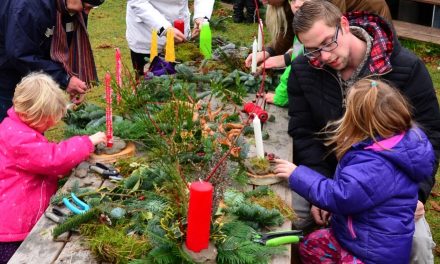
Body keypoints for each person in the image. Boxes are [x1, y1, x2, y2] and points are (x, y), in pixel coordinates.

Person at [287, 1, 440, 263]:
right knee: (285, 213)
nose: (323, 57)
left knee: (419, 243)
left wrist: (418, 193)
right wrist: (320, 189)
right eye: (313, 50)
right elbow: (303, 132)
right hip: (327, 175)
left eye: (328, 42)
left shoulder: (404, 67)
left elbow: (431, 136)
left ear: (344, 24)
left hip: (388, 186)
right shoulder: (303, 70)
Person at [275, 78, 436, 263]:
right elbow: (355, 192)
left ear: (357, 118)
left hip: (370, 254)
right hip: (358, 234)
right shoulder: (395, 142)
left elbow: (341, 197)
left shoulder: (375, 164)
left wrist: (296, 174)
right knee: (311, 246)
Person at [0, 73, 107, 264]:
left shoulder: (16, 128)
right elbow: (52, 159)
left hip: (15, 220)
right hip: (12, 228)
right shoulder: (19, 139)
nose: (52, 124)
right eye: (46, 120)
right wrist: (87, 142)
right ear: (28, 114)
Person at [245, 0, 392, 106]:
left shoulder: (327, 12)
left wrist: (287, 59)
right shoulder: (298, 5)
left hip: (371, 20)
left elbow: (324, 36)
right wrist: (270, 51)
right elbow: (298, 35)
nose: (263, 1)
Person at [0, 0, 105, 122]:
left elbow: (67, 45)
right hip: (6, 72)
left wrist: (72, 77)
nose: (86, 12)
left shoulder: (68, 7)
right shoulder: (27, 8)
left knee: (33, 123)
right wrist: (64, 79)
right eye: (87, 6)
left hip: (31, 73)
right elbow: (20, 54)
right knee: (9, 126)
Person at [126, 0, 215, 79]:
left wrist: (202, 17)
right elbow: (137, 2)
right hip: (147, 33)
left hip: (180, 35)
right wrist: (164, 28)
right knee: (148, 86)